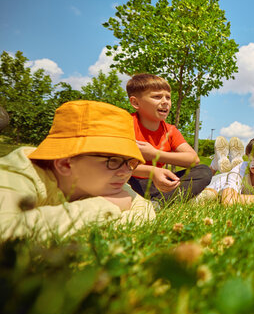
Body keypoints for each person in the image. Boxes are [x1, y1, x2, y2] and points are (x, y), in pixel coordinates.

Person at [0, 101, 155, 240]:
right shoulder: (18, 173)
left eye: (131, 162)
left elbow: (146, 210)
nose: (125, 172)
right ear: (65, 164)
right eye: (113, 160)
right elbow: (7, 233)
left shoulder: (103, 181)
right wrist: (105, 205)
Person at [125, 74, 213, 203]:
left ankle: (159, 201)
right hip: (130, 180)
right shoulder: (126, 124)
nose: (165, 101)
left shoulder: (170, 130)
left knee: (203, 171)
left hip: (159, 183)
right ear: (135, 102)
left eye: (168, 97)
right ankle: (177, 199)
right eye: (157, 96)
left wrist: (155, 154)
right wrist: (152, 172)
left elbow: (193, 159)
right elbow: (117, 166)